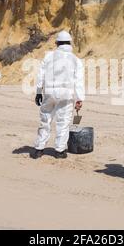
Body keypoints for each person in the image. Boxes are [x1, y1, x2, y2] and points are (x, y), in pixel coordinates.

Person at [32, 30, 85, 159]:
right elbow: (78, 81)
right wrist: (79, 98)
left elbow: (40, 75)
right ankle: (59, 151)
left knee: (45, 120)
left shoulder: (48, 56)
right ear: (70, 43)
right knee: (63, 122)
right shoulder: (76, 60)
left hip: (49, 93)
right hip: (66, 95)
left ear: (57, 43)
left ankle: (39, 148)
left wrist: (39, 92)